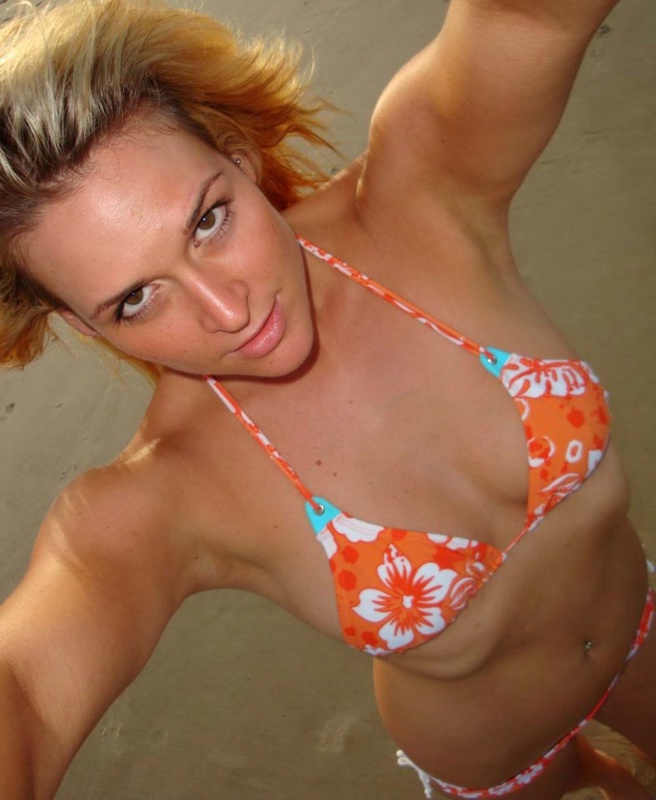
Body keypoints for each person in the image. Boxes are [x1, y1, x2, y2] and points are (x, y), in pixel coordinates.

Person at [0, 0, 654, 797]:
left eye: (208, 221)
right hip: (496, 754)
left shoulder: (421, 197)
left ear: (239, 157)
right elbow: (25, 692)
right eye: (136, 298)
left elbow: (528, 19)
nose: (227, 310)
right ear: (81, 322)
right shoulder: (162, 494)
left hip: (638, 630)